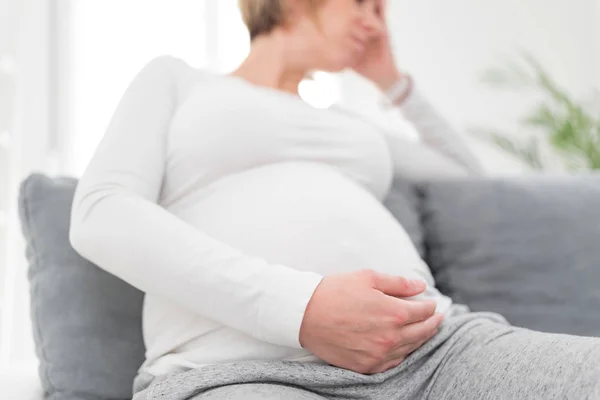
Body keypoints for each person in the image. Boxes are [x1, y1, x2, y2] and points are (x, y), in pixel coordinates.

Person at [69, 0, 600, 399]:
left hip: (437, 350)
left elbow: (468, 181)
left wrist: (390, 81)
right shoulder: (179, 81)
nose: (374, 23)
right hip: (239, 369)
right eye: (362, 4)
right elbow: (103, 212)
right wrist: (302, 308)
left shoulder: (349, 126)